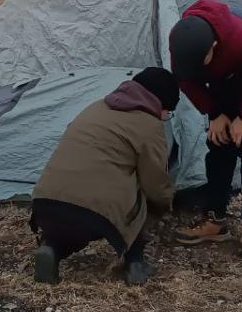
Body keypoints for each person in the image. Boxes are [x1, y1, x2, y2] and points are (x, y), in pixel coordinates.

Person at [31, 67, 179, 286]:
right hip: (95, 211)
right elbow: (155, 184)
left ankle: (52, 247)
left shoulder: (95, 107)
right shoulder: (149, 124)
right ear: (160, 103)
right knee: (138, 191)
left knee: (75, 219)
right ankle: (135, 259)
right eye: (168, 112)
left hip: (44, 204)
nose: (165, 117)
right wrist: (167, 204)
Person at [168, 0, 242, 254]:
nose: (199, 68)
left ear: (214, 46)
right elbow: (186, 79)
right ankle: (216, 219)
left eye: (203, 62)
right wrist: (215, 114)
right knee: (218, 149)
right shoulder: (181, 40)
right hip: (223, 95)